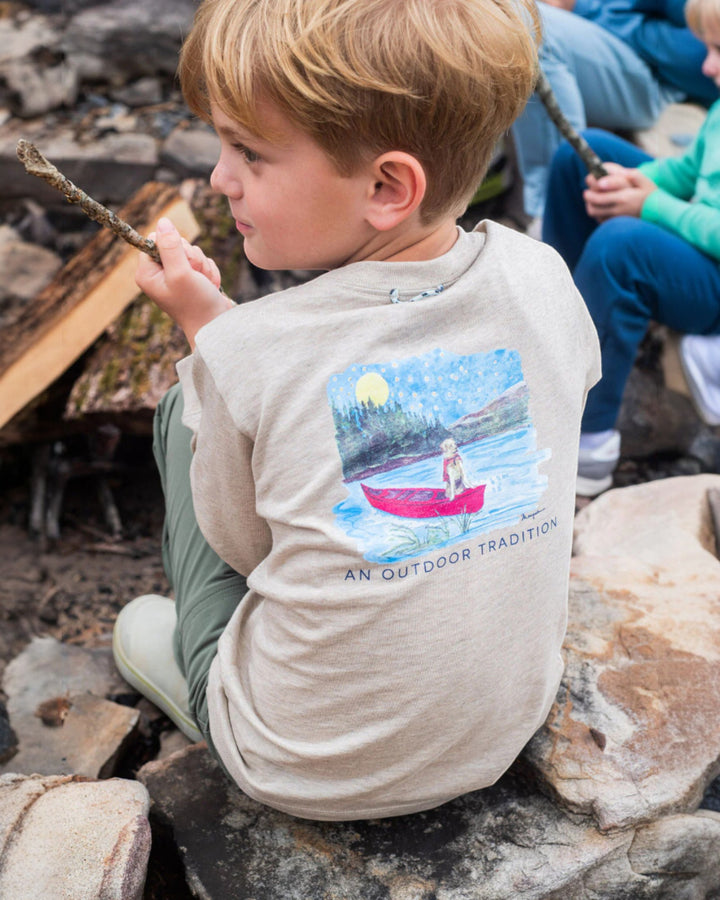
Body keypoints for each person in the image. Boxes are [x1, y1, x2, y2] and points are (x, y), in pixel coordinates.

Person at [112, 0, 600, 821]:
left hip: (305, 769)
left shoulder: (251, 350)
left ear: (385, 186)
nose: (218, 178)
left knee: (181, 410)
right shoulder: (542, 275)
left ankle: (192, 680)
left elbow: (241, 546)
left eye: (249, 153)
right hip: (502, 727)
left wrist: (207, 337)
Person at [541, 0, 720, 496]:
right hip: (699, 241)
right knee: (582, 157)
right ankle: (553, 325)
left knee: (624, 246)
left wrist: (651, 205)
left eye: (718, 51)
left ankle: (590, 444)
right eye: (707, 48)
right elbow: (688, 174)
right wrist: (637, 180)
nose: (706, 67)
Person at [512, 0, 717, 226]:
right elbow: (683, 172)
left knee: (530, 23)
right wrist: (630, 181)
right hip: (608, 33)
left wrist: (652, 205)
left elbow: (695, 56)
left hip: (653, 75)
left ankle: (546, 215)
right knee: (585, 149)